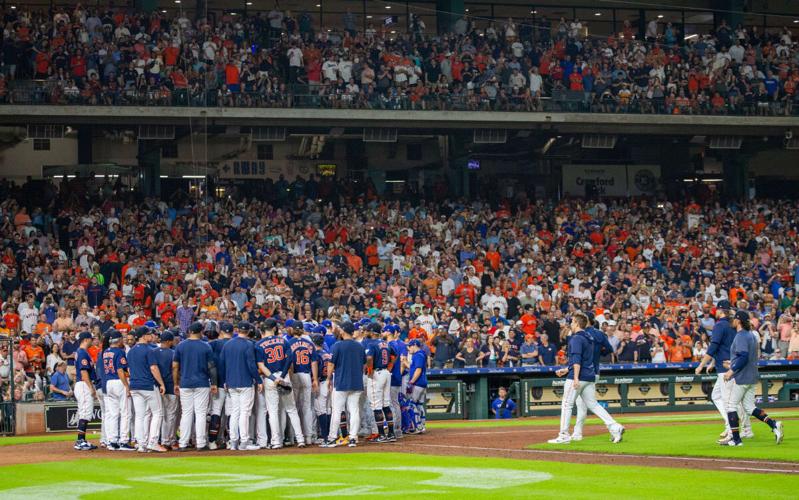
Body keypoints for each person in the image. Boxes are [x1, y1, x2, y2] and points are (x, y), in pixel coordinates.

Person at [547, 312, 624, 444]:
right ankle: (614, 426)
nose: (570, 324)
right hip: (590, 375)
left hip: (578, 376)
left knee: (567, 404)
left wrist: (575, 377)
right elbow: (586, 359)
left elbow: (577, 359)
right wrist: (567, 369)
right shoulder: (590, 337)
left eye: (572, 322)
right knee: (592, 404)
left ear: (577, 323)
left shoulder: (576, 338)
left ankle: (564, 435)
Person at [722, 310, 784, 446]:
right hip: (751, 376)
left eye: (734, 319)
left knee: (731, 406)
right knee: (750, 408)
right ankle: (774, 424)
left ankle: (736, 440)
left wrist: (731, 370)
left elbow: (743, 356)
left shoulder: (741, 336)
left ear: (738, 321)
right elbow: (746, 356)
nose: (732, 320)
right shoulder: (751, 335)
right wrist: (732, 362)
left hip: (741, 377)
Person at [694, 301, 752, 441]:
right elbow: (725, 346)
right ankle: (741, 428)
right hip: (733, 364)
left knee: (728, 401)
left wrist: (701, 364)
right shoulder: (733, 325)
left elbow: (714, 347)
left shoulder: (720, 324)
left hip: (725, 369)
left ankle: (732, 430)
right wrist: (713, 362)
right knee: (721, 397)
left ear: (720, 311)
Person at [255, 318, 305, 450]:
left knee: (272, 411)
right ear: (274, 328)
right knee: (291, 409)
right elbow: (290, 359)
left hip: (269, 379)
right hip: (284, 377)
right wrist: (282, 376)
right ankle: (300, 439)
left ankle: (276, 441)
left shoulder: (259, 344)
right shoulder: (284, 341)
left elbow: (260, 365)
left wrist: (272, 377)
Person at [571, 314, 623, 440]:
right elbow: (610, 349)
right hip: (595, 371)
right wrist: (599, 352)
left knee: (579, 404)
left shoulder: (582, 334)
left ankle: (575, 434)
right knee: (588, 404)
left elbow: (577, 355)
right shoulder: (600, 334)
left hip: (583, 372)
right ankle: (578, 433)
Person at [173, 321, 217, 452]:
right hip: (202, 383)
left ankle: (183, 443)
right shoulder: (206, 346)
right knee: (201, 413)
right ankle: (201, 443)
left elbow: (175, 366)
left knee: (186, 413)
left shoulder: (180, 346)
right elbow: (212, 367)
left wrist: (176, 383)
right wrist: (214, 383)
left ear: (190, 331)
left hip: (185, 383)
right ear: (200, 332)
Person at [321, 321, 366, 448]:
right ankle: (353, 438)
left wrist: (329, 378)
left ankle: (332, 438)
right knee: (354, 410)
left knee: (337, 411)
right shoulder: (360, 346)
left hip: (341, 382)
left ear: (343, 331)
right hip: (357, 382)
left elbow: (331, 364)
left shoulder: (337, 345)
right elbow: (364, 364)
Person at [219, 321, 261, 451]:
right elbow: (251, 365)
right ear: (248, 331)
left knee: (235, 412)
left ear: (237, 330)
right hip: (245, 382)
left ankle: (233, 442)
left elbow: (222, 364)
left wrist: (224, 380)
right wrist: (258, 380)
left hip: (231, 382)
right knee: (244, 412)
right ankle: (244, 441)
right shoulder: (249, 344)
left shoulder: (228, 344)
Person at [126, 326, 167, 453]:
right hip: (147, 385)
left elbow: (128, 369)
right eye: (149, 334)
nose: (151, 336)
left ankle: (141, 444)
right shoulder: (149, 350)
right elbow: (153, 368)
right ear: (143, 336)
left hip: (134, 385)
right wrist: (162, 384)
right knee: (157, 413)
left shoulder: (131, 351)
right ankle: (153, 442)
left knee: (139, 416)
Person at [287, 323, 318, 444]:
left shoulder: (289, 343)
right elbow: (314, 363)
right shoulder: (310, 344)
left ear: (293, 330)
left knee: (293, 408)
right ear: (303, 330)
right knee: (307, 407)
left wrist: (290, 378)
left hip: (294, 375)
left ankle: (293, 437)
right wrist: (315, 379)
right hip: (306, 375)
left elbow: (290, 363)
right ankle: (308, 437)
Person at [366, 324, 396, 442]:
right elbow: (394, 355)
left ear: (373, 332)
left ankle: (382, 434)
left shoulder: (371, 343)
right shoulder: (386, 343)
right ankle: (391, 433)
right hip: (386, 374)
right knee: (386, 404)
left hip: (377, 374)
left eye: (368, 330)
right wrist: (389, 367)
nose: (367, 332)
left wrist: (369, 371)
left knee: (376, 405)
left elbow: (369, 358)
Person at [207, 321, 232, 450]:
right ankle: (229, 441)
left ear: (221, 331)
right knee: (230, 413)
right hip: (232, 383)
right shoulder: (234, 344)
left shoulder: (212, 344)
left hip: (217, 382)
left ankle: (212, 442)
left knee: (216, 411)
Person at [73, 331, 98, 451]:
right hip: (84, 384)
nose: (92, 341)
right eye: (91, 339)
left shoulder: (80, 352)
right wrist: (91, 387)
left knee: (85, 412)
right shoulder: (82, 353)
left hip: (82, 384)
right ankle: (80, 441)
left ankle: (81, 440)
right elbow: (84, 373)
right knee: (85, 412)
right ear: (86, 340)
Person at [154, 330, 179, 450]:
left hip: (156, 387)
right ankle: (167, 440)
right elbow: (176, 370)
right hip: (170, 386)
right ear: (169, 341)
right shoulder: (173, 353)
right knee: (170, 415)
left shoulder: (153, 352)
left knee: (158, 415)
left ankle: (159, 439)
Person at [312, 331, 332, 443]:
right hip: (329, 383)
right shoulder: (327, 353)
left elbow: (317, 370)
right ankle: (328, 435)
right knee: (328, 409)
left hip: (321, 382)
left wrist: (315, 381)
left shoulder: (316, 354)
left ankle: (325, 437)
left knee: (321, 410)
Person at [406, 338, 428, 434]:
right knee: (419, 404)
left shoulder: (418, 355)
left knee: (412, 403)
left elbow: (418, 370)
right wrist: (404, 362)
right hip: (422, 382)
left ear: (415, 345)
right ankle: (422, 425)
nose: (408, 348)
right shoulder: (421, 354)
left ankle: (418, 426)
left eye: (410, 346)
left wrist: (412, 381)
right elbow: (413, 368)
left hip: (418, 382)